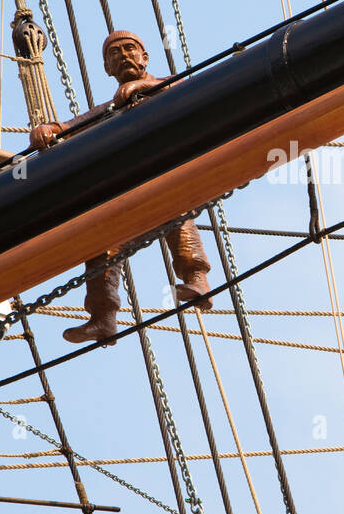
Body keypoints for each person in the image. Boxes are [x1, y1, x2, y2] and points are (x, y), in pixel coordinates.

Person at [30, 30, 213, 344]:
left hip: (168, 174)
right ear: (107, 68)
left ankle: (197, 279)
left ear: (145, 58)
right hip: (129, 190)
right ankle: (104, 318)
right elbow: (81, 124)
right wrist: (52, 129)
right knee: (101, 240)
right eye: (115, 54)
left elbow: (189, 89)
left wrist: (142, 86)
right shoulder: (115, 106)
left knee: (173, 204)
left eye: (130, 49)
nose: (124, 55)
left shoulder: (164, 86)